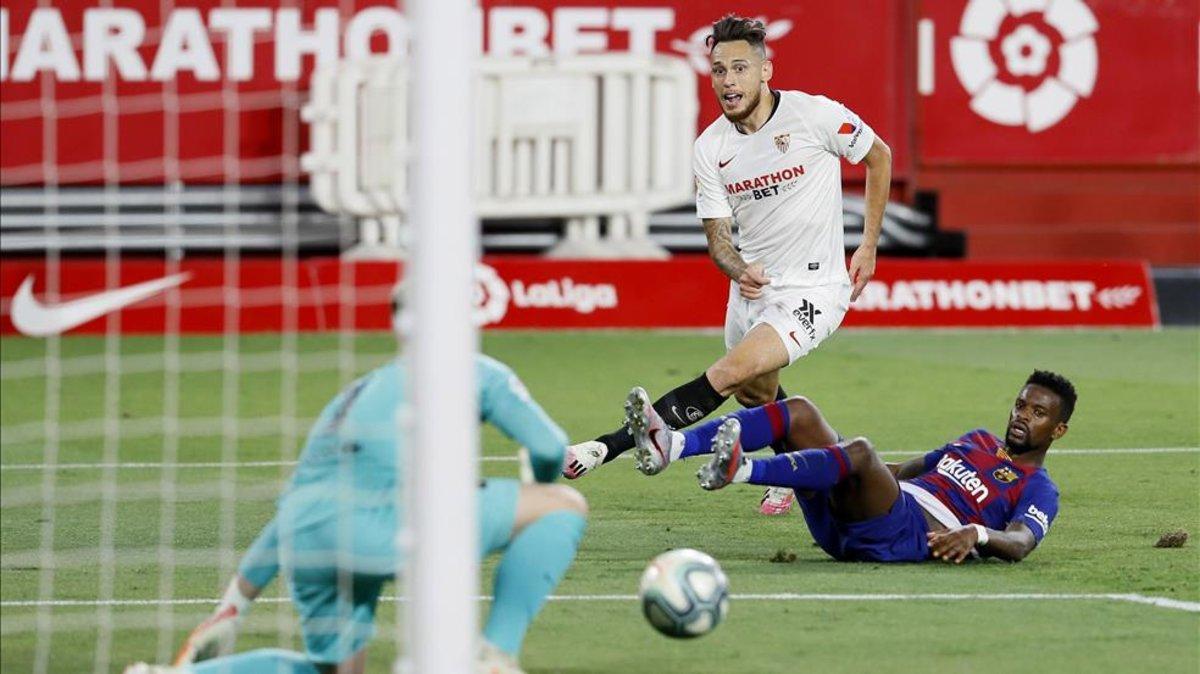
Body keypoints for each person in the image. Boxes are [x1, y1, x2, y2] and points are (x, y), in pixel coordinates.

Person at [128, 299, 587, 674]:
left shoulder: (352, 395)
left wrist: (235, 605)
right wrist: (538, 491)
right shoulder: (474, 368)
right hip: (378, 526)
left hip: (308, 542)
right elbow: (549, 447)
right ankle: (494, 656)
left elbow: (295, 508)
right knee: (562, 505)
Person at [564, 14, 893, 519]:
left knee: (730, 371)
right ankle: (823, 470)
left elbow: (879, 157)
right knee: (755, 394)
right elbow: (718, 243)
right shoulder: (710, 148)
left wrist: (867, 246)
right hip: (752, 290)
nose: (728, 81)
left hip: (814, 288)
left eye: (740, 68)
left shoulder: (814, 116)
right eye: (718, 70)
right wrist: (738, 269)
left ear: (766, 70)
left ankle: (637, 444)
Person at [624, 370, 1074, 563]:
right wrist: (828, 457)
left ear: (1058, 431)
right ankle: (673, 443)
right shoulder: (976, 440)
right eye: (1020, 404)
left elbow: (1019, 544)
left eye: (1038, 413)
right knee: (799, 412)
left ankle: (741, 471)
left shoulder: (1039, 488)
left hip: (905, 538)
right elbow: (899, 473)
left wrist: (974, 534)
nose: (1021, 416)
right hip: (859, 519)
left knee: (859, 450)